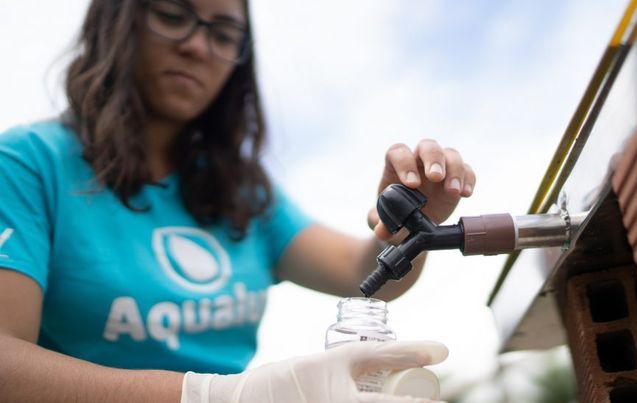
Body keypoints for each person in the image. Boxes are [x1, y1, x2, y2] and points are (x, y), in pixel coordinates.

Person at [0, 0, 476, 402]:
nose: (198, 45)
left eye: (225, 33)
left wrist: (413, 216)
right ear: (117, 19)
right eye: (172, 14)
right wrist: (208, 395)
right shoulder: (27, 163)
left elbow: (362, 274)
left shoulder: (240, 190)